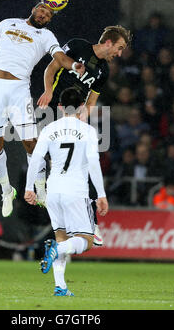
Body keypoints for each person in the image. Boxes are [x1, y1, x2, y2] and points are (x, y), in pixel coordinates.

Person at [0, 1, 85, 217]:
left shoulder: (46, 36)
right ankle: (7, 190)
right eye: (42, 10)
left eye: (48, 15)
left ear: (49, 19)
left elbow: (60, 58)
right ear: (33, 9)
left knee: (31, 143)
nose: (43, 15)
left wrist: (74, 65)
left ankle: (40, 190)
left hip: (19, 89)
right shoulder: (7, 23)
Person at [36, 25, 130, 244]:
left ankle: (89, 222)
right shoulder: (78, 45)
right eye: (119, 47)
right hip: (52, 109)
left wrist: (82, 117)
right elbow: (51, 67)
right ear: (108, 42)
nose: (120, 53)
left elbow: (91, 101)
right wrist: (48, 91)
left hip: (72, 117)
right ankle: (42, 191)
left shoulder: (103, 71)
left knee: (80, 164)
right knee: (51, 159)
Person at [25, 88, 108, 296]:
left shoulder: (49, 129)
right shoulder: (87, 130)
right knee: (86, 241)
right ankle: (56, 251)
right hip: (76, 191)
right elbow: (93, 162)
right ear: (82, 107)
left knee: (61, 236)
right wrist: (101, 194)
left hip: (53, 190)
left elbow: (35, 159)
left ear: (60, 107)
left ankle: (60, 286)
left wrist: (29, 187)